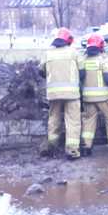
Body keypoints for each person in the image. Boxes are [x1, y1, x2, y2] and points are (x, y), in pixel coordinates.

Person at [40, 27, 81, 160]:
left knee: (54, 119)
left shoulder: (48, 53)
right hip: (72, 94)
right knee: (73, 121)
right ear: (68, 41)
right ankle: (72, 151)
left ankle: (52, 146)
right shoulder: (74, 52)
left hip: (53, 94)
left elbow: (41, 71)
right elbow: (83, 71)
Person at [78, 34, 108, 156]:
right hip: (104, 98)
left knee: (88, 121)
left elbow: (80, 77)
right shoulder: (103, 60)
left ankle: (86, 146)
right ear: (101, 46)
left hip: (87, 98)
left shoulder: (83, 61)